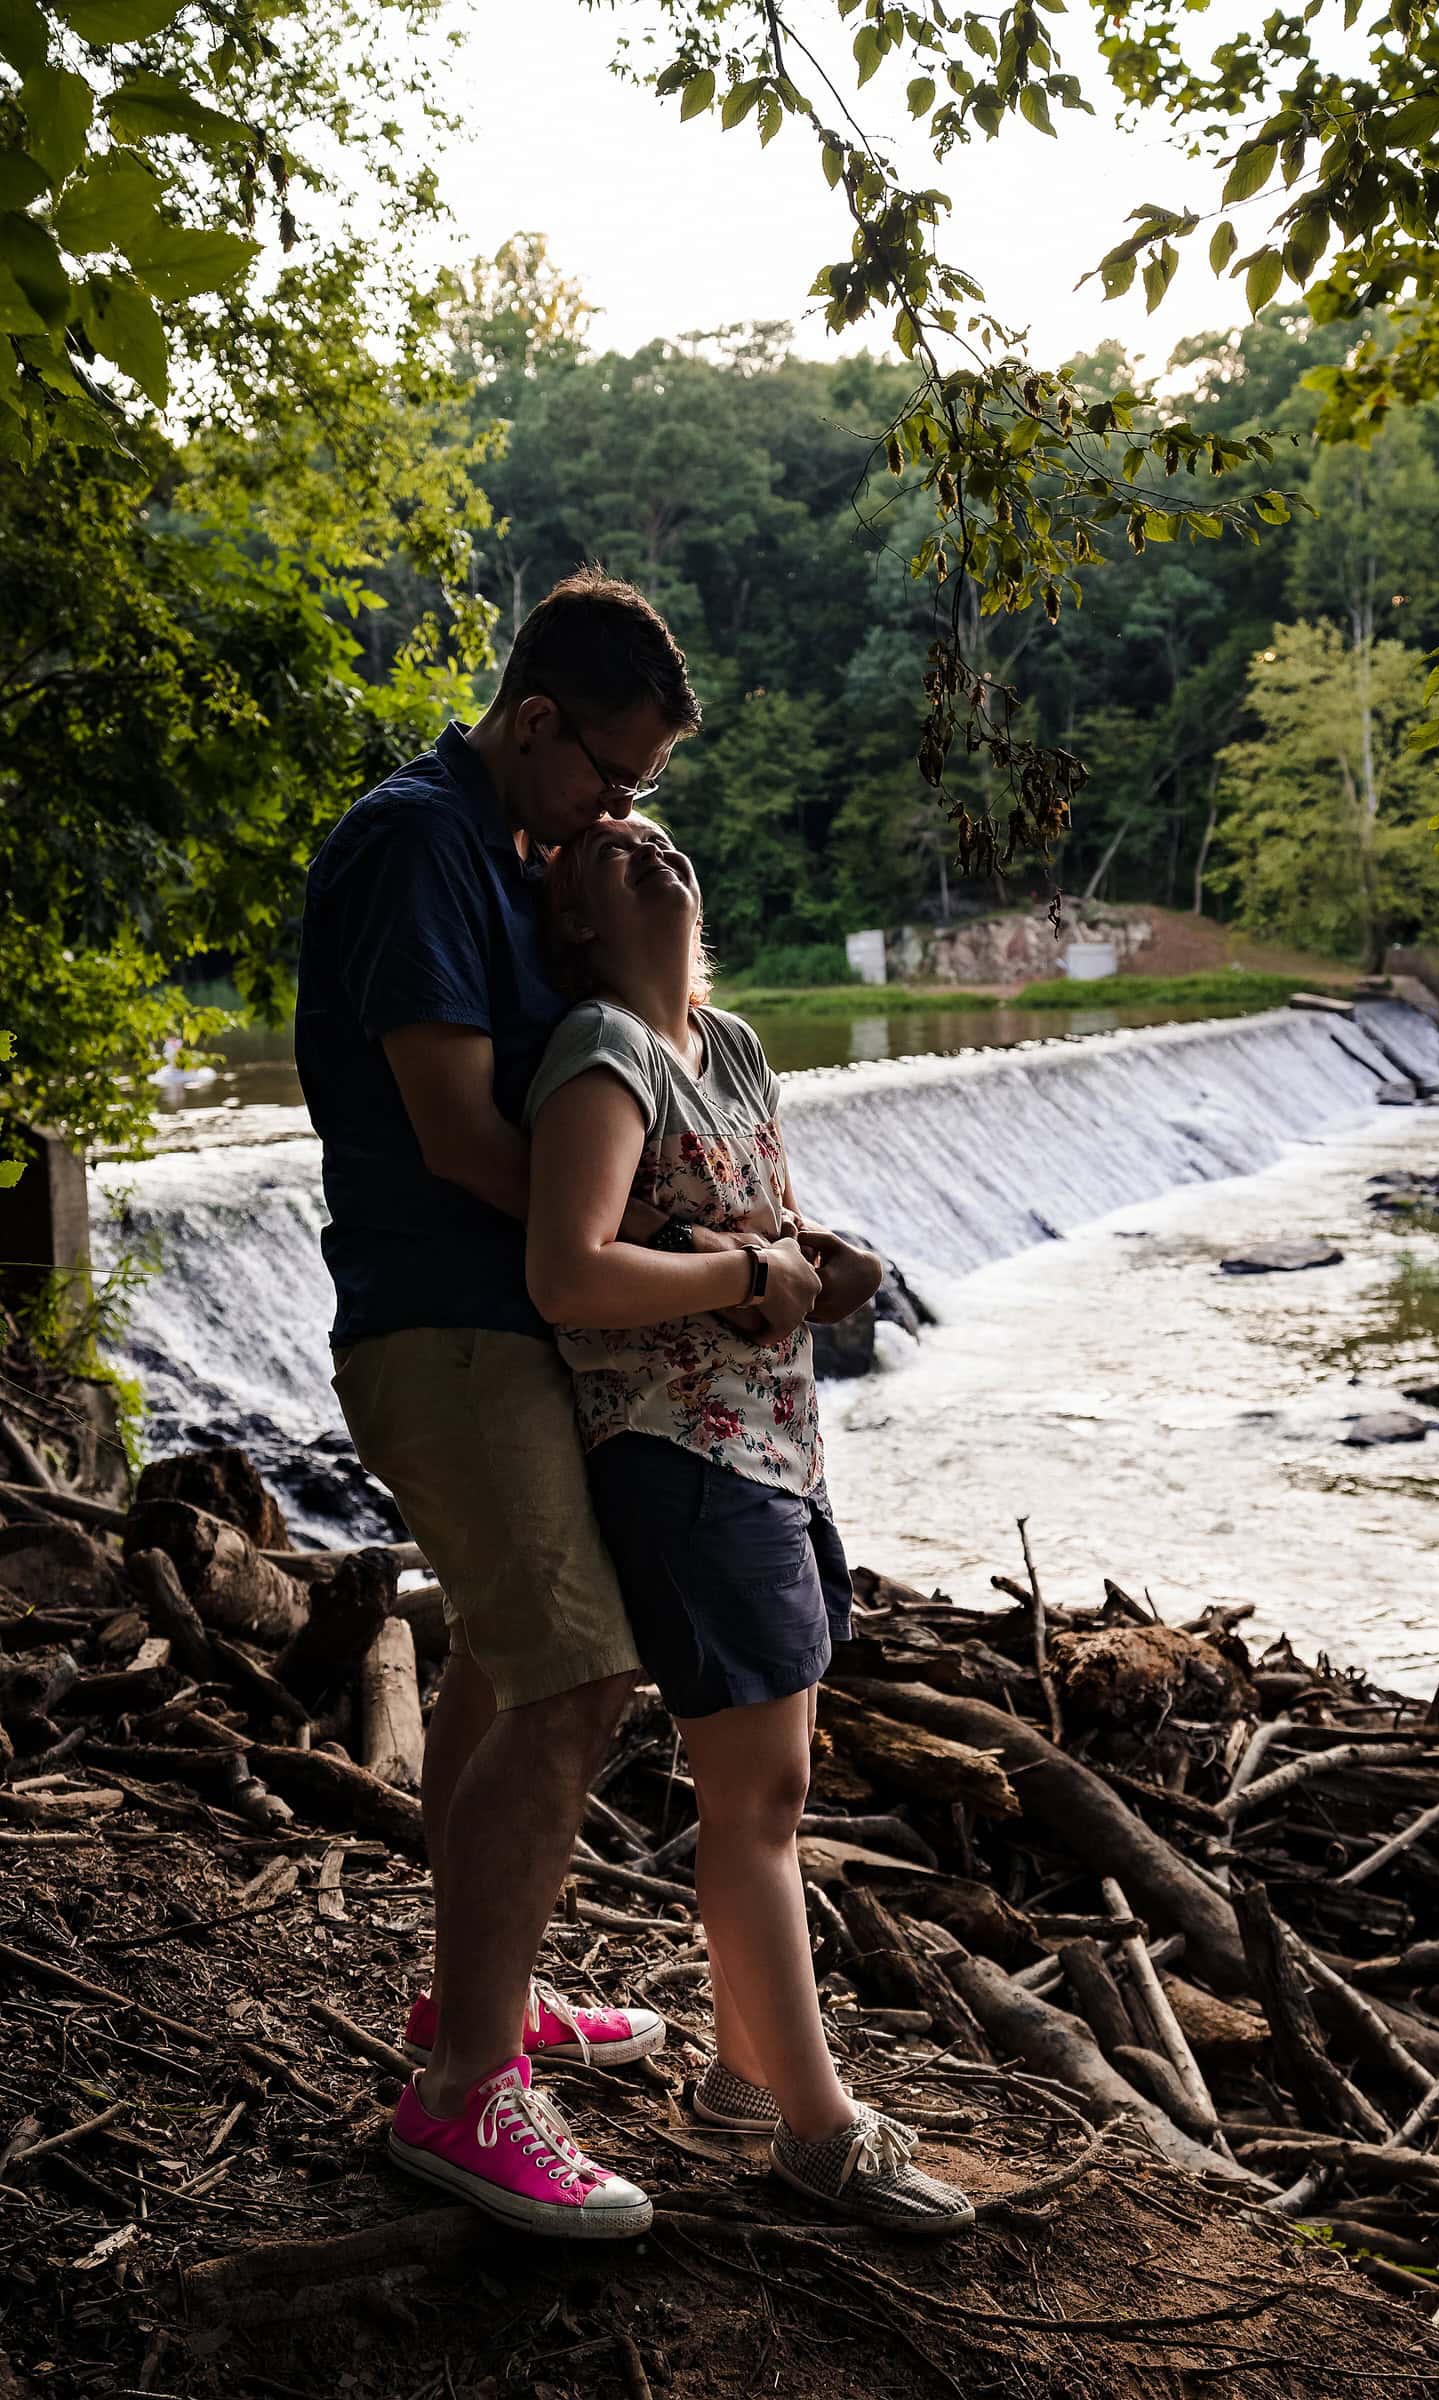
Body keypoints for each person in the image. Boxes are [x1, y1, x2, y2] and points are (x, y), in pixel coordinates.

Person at [296, 571, 820, 2234]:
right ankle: (463, 2103)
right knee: (579, 1676)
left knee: (507, 1674)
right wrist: (666, 1243)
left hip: (514, 1330)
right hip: (443, 1330)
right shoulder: (420, 844)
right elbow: (458, 1133)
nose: (619, 812)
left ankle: (476, 2011)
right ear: (534, 724)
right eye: (610, 776)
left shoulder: (514, 847)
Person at [520, 812, 976, 2235]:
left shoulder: (735, 1050)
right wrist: (746, 1275)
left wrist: (823, 1268)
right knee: (758, 1802)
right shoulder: (600, 1054)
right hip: (679, 1458)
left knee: (775, 1786)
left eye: (662, 839)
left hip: (776, 1449)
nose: (648, 850)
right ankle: (820, 2133)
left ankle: (735, 2078)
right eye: (609, 850)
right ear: (575, 919)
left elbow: (753, 1234)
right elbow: (572, 1274)